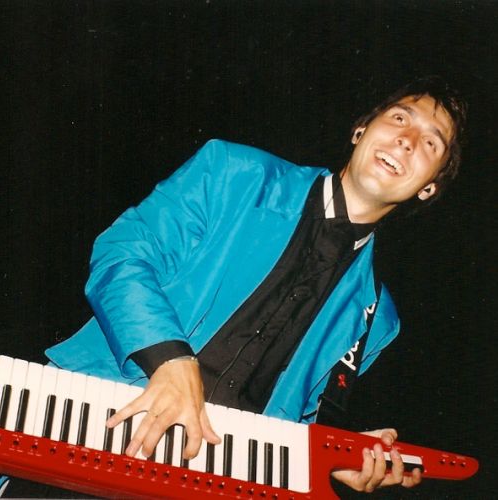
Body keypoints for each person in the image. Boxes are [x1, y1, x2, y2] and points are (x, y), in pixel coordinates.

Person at [44, 76, 466, 494]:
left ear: (429, 188)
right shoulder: (234, 173)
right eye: (399, 118)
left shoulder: (377, 318)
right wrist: (169, 359)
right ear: (361, 130)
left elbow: (296, 420)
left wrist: (332, 463)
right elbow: (122, 254)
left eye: (431, 143)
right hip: (92, 427)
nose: (407, 140)